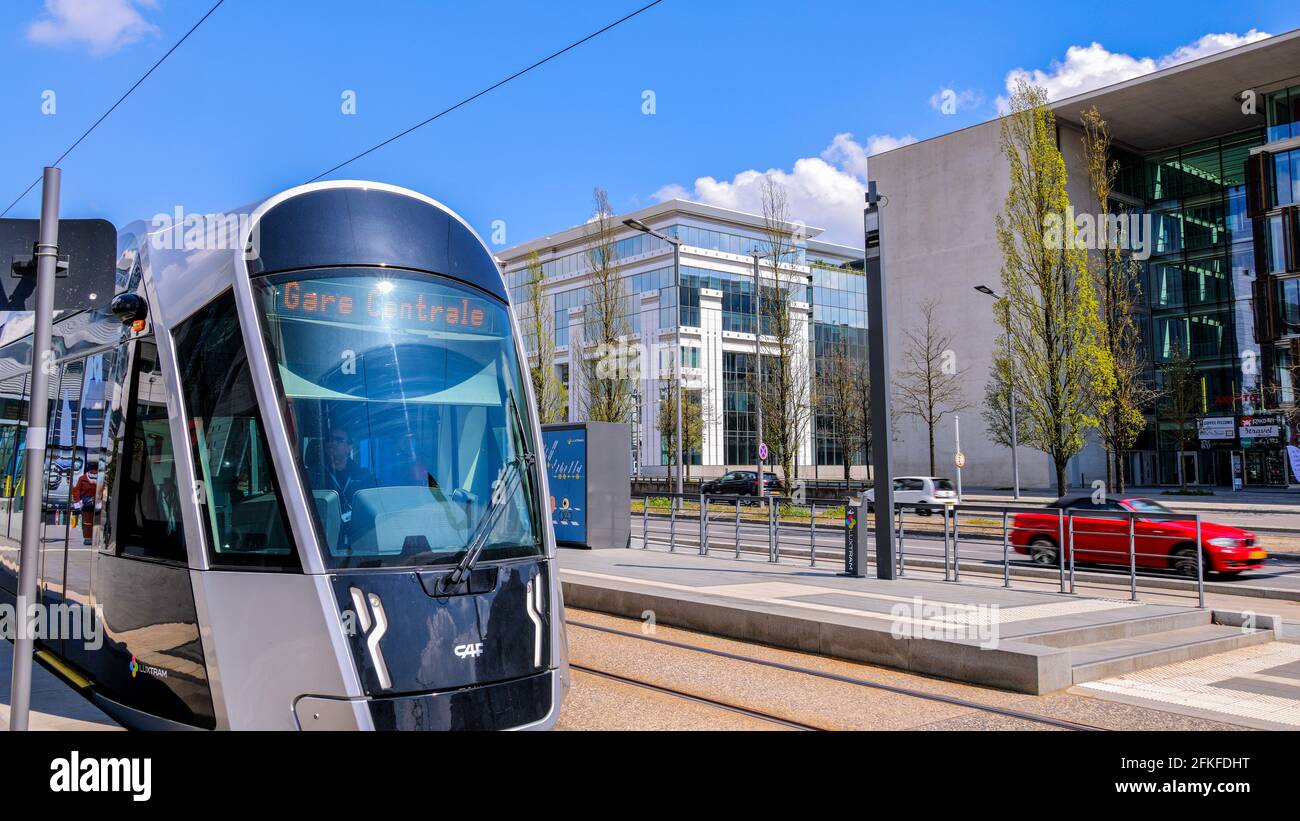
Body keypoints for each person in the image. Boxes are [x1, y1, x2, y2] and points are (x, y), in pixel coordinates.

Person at [312, 428, 376, 540]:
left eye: (339, 440)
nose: (332, 443)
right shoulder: (314, 475)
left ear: (350, 447)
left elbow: (374, 507)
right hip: (324, 534)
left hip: (358, 534)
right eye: (329, 440)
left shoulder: (364, 476)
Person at [70, 469, 97, 545]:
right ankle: (88, 537)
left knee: (93, 522)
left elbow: (76, 491)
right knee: (87, 521)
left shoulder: (83, 478)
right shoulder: (82, 478)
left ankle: (92, 537)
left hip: (96, 501)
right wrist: (77, 503)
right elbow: (77, 491)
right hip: (87, 502)